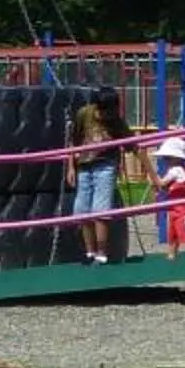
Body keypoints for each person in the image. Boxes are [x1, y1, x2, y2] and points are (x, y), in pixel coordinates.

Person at [69, 90, 130, 262]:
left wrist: (153, 177)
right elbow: (73, 141)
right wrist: (70, 168)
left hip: (106, 165)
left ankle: (101, 253)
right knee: (82, 209)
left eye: (113, 111)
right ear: (97, 107)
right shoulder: (84, 114)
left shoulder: (116, 121)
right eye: (106, 111)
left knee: (101, 209)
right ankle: (90, 252)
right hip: (84, 165)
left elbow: (133, 145)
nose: (110, 115)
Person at [152, 132, 185, 256]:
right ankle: (171, 257)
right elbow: (166, 187)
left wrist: (152, 174)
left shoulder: (177, 170)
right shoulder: (174, 170)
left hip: (183, 210)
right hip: (174, 209)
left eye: (168, 157)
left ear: (177, 157)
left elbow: (161, 183)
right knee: (173, 237)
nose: (166, 160)